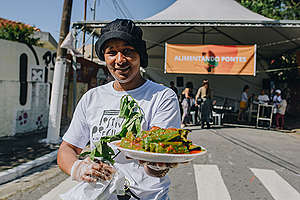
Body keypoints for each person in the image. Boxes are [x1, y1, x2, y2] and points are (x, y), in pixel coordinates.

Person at [57, 19, 181, 200]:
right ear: (104, 57)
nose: (120, 60)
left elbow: (155, 155)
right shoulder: (92, 98)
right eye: (112, 52)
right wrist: (78, 168)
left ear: (140, 55)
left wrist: (156, 165)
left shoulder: (162, 97)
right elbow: (67, 149)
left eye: (128, 51)